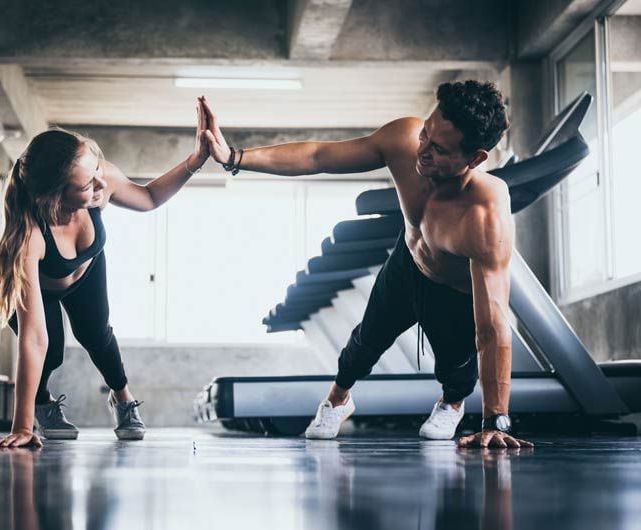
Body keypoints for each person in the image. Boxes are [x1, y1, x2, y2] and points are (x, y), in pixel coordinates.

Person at [199, 81, 533, 448]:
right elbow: (318, 156)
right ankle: (338, 399)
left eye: (438, 150)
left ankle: (451, 404)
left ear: (475, 159)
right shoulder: (405, 138)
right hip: (408, 261)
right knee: (364, 343)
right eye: (425, 134)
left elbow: (493, 326)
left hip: (452, 292)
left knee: (455, 370)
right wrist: (234, 157)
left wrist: (496, 420)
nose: (421, 151)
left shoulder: (483, 214)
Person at [0, 105, 209, 448]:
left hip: (86, 271)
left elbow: (148, 197)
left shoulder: (95, 173)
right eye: (88, 184)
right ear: (55, 197)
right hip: (40, 288)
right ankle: (42, 405)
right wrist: (22, 426)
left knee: (97, 334)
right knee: (52, 351)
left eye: (96, 170)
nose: (102, 183)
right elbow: (33, 338)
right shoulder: (29, 237)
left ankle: (123, 399)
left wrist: (194, 161)